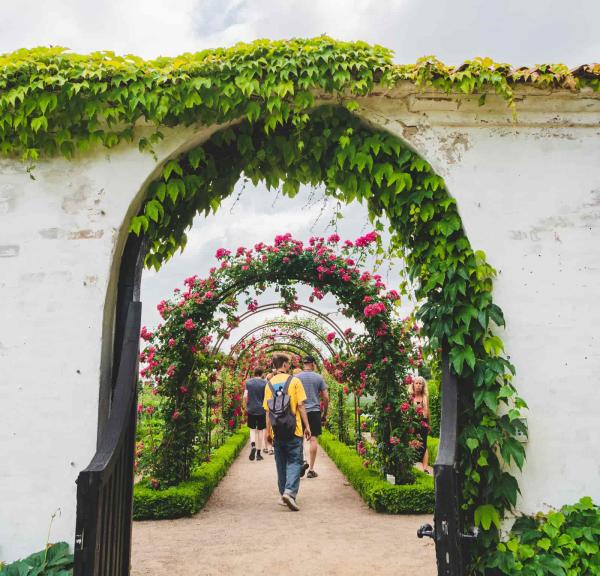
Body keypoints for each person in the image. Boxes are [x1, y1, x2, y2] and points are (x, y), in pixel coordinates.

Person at [264, 352, 311, 511]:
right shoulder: (295, 381)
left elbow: (268, 411)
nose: (289, 366)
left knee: (281, 464)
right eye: (288, 364)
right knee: (295, 461)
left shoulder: (269, 384)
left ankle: (283, 493)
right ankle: (289, 492)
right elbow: (301, 406)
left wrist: (268, 432)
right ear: (284, 365)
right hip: (294, 429)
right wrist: (307, 427)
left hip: (277, 430)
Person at [295, 355, 329, 478]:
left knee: (298, 439)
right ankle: (311, 470)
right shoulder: (318, 377)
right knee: (313, 439)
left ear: (304, 364)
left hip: (300, 411)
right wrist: (324, 413)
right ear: (313, 363)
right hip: (314, 411)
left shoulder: (296, 378)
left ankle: (302, 463)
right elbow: (325, 397)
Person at [243, 367, 267, 461]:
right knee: (260, 430)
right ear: (262, 374)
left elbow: (245, 396)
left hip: (251, 409)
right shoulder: (265, 383)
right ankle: (258, 453)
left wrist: (247, 405)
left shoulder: (248, 382)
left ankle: (253, 444)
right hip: (262, 410)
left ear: (254, 373)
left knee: (252, 429)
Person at [412, 376, 432, 473]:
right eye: (417, 383)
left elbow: (427, 411)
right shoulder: (410, 397)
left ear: (423, 385)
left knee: (424, 444)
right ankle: (412, 464)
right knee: (412, 442)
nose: (419, 385)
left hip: (423, 423)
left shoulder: (425, 397)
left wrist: (429, 424)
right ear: (413, 385)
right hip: (413, 422)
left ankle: (425, 468)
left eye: (421, 383)